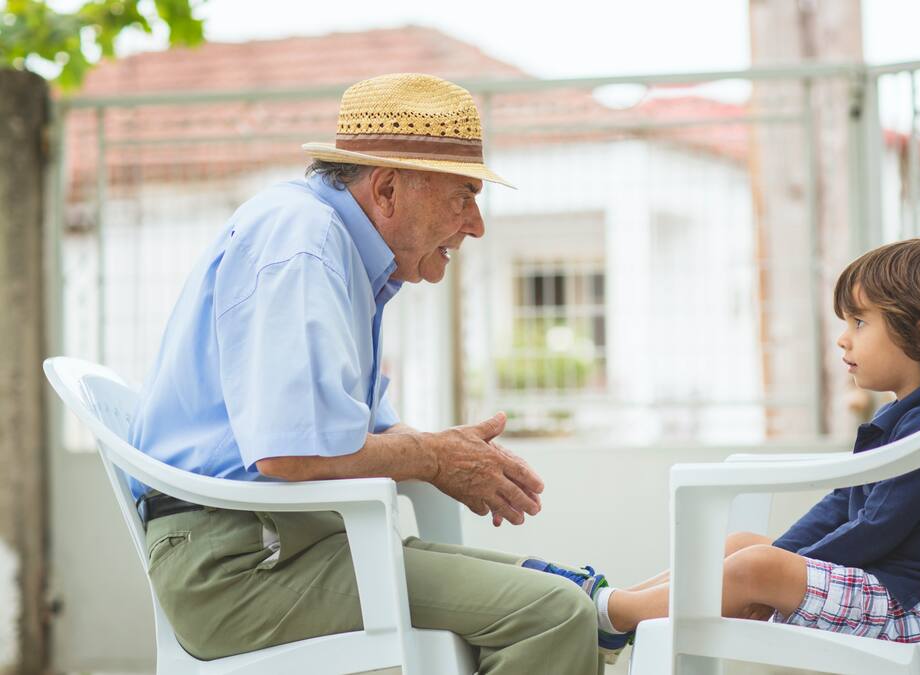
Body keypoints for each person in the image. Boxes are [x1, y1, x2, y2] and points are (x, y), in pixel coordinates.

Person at [128, 73, 611, 675]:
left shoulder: (339, 252)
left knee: (568, 597)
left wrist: (445, 453)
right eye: (463, 195)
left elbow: (361, 438)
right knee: (553, 614)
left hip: (289, 545)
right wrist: (434, 459)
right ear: (387, 190)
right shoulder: (304, 241)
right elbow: (292, 455)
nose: (476, 223)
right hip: (242, 567)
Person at [581, 238, 920, 653]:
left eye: (859, 322)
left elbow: (875, 529)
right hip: (879, 588)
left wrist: (778, 577)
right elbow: (841, 505)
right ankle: (621, 603)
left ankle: (612, 613)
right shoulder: (914, 416)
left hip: (907, 608)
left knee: (758, 565)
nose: (843, 339)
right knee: (744, 546)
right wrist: (782, 560)